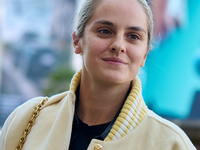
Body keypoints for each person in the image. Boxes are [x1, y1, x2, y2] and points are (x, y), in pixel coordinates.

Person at [0, 0, 196, 149]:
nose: (118, 45)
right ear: (77, 41)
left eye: (133, 36)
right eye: (105, 31)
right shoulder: (25, 119)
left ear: (144, 54)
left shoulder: (172, 143)